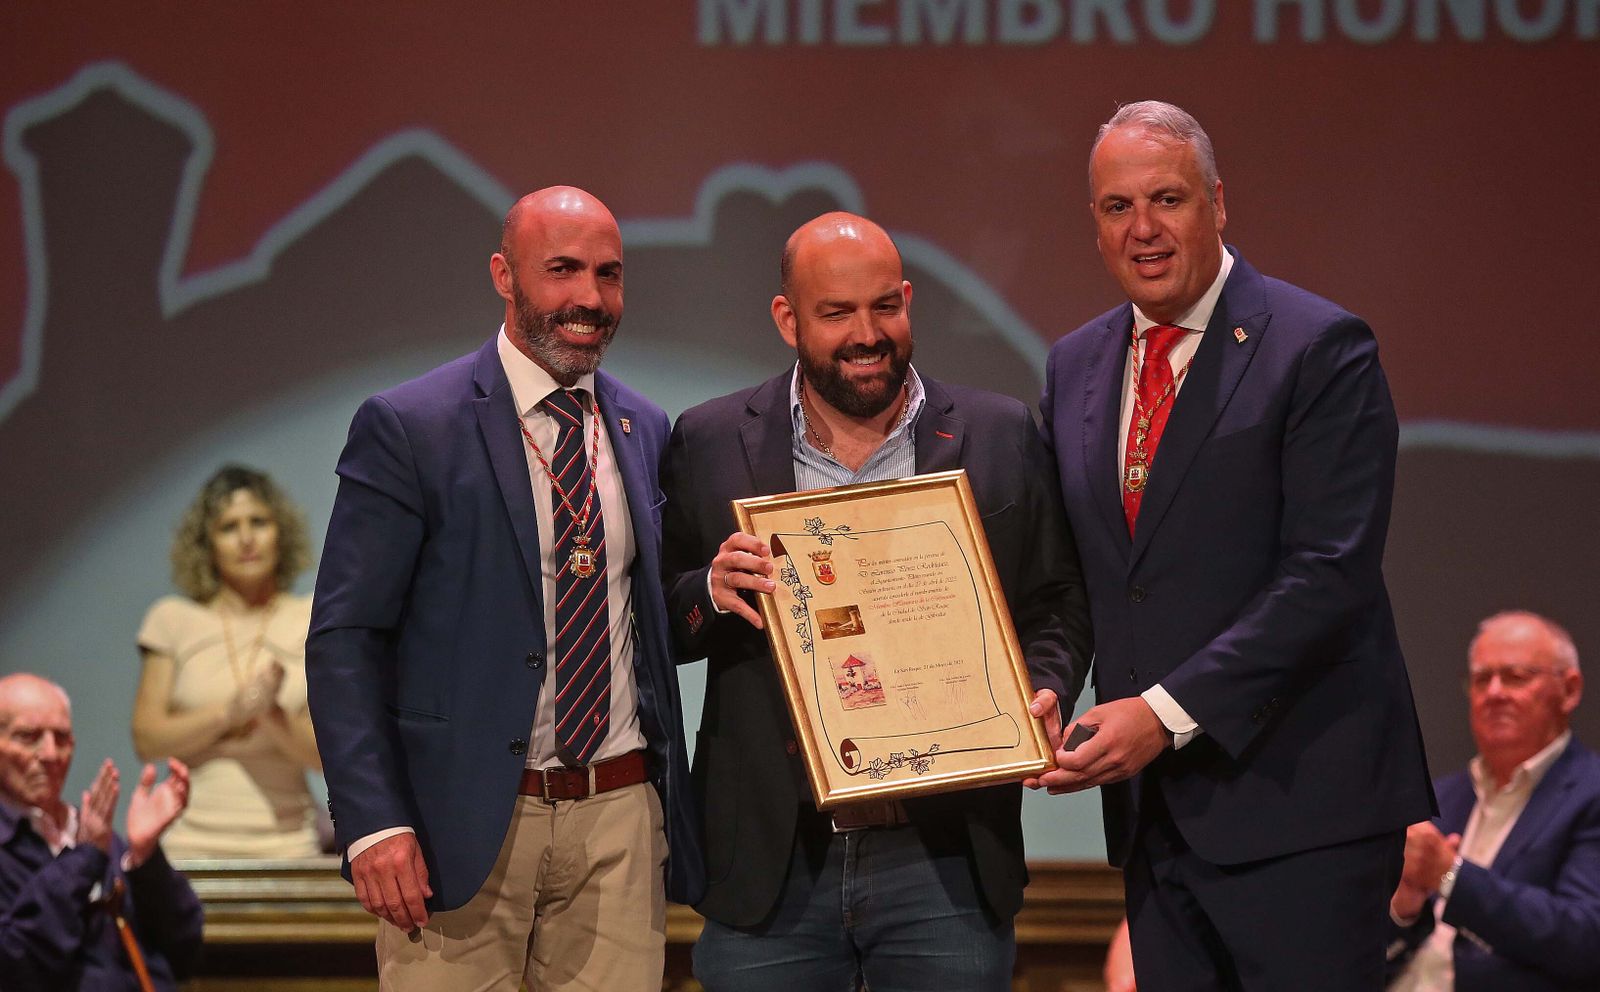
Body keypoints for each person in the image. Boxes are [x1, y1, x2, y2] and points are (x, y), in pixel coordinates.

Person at [1036, 100, 1434, 990]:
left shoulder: (1319, 346)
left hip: (1303, 810)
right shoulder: (1074, 366)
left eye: (1167, 199)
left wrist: (1164, 713)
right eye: (1116, 207)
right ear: (1094, 225)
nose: (1143, 229)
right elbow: (1078, 575)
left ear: (1218, 202)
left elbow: (1328, 576)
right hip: (1156, 819)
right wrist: (1047, 681)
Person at [661, 211, 1091, 991]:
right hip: (772, 865)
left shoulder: (998, 432)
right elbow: (655, 620)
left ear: (908, 300)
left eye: (885, 306)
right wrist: (709, 592)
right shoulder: (708, 438)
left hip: (947, 862)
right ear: (788, 318)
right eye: (836, 313)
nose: (868, 333)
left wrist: (1044, 682)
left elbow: (1056, 596)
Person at [306, 185, 703, 990]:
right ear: (503, 274)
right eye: (562, 270)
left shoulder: (646, 428)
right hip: (458, 828)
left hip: (620, 820)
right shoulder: (411, 426)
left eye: (608, 274)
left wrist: (717, 596)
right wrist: (373, 820)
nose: (589, 298)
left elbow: (652, 621)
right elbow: (346, 638)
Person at [1387, 611, 1600, 991]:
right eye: (1482, 679)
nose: (1495, 692)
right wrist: (1404, 910)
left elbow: (1585, 936)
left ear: (1569, 690)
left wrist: (1450, 876)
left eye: (1516, 676)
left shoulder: (1591, 793)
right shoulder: (1440, 798)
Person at [131, 464, 322, 859]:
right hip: (190, 845)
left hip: (289, 845)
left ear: (281, 532)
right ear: (207, 544)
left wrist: (272, 716)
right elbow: (147, 739)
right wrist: (229, 714)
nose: (247, 539)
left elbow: (330, 758)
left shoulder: (312, 617)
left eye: (259, 522)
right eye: (229, 527)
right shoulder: (172, 619)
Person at [1, 673, 202, 990]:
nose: (51, 754)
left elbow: (184, 949)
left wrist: (143, 857)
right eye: (28, 736)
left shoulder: (93, 832)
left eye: (62, 738)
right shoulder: (90, 842)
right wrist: (83, 860)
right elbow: (15, 965)